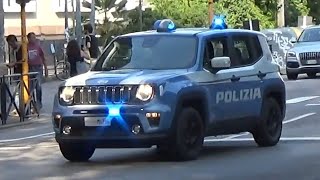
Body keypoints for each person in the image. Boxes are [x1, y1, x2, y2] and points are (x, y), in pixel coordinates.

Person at [27, 32, 48, 109]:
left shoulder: (38, 46)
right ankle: (32, 102)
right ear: (28, 39)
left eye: (34, 37)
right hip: (30, 68)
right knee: (30, 87)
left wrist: (46, 68)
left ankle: (39, 102)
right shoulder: (26, 47)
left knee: (38, 86)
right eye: (31, 37)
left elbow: (43, 57)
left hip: (38, 67)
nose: (33, 39)